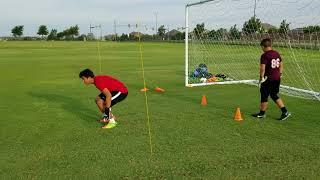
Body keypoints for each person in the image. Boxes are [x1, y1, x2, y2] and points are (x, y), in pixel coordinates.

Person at [252, 38, 291, 121]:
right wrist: (280, 74)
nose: (261, 49)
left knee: (264, 95)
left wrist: (261, 78)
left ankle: (262, 114)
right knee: (274, 95)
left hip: (268, 79)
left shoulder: (265, 55)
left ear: (263, 46)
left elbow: (262, 68)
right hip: (277, 78)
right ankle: (285, 111)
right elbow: (281, 64)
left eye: (261, 47)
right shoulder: (276, 53)